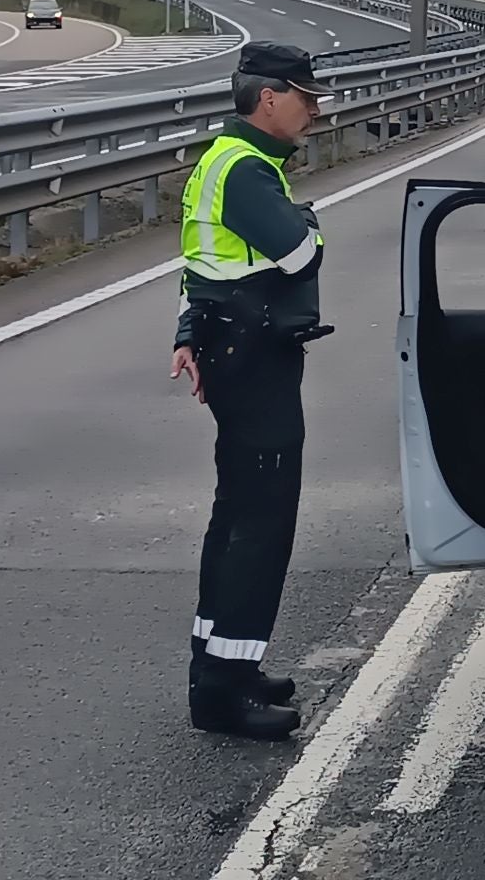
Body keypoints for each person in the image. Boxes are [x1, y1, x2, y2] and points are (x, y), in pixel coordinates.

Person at [169, 41, 333, 741]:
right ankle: (226, 694)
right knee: (260, 522)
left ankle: (223, 666)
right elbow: (300, 253)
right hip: (253, 355)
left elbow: (199, 264)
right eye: (305, 96)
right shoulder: (246, 172)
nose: (314, 109)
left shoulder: (232, 162)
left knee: (236, 514)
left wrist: (186, 331)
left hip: (231, 345)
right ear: (269, 97)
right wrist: (312, 228)